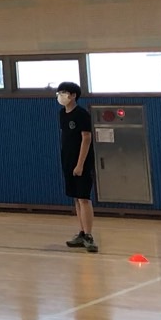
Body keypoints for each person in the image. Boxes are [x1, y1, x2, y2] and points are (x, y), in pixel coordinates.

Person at [57, 81, 98, 253]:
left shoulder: (81, 114)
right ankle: (81, 232)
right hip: (67, 160)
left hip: (81, 161)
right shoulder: (62, 113)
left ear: (73, 95)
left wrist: (80, 164)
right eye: (59, 93)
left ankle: (88, 235)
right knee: (75, 198)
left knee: (84, 198)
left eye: (64, 92)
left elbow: (86, 138)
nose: (60, 96)